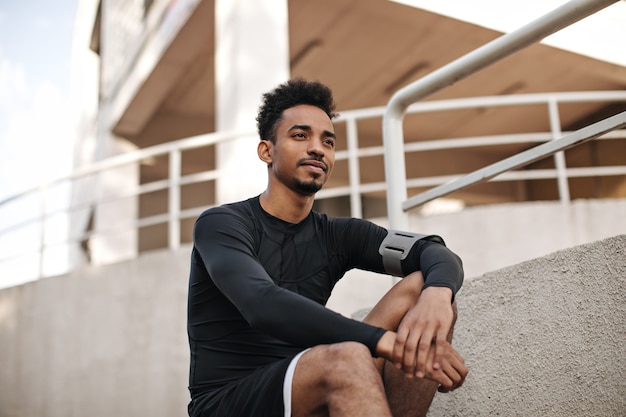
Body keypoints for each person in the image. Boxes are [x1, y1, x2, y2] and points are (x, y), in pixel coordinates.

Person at [187, 78, 468, 417]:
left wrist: (437, 297)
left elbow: (434, 252)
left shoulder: (339, 234)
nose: (317, 148)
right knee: (348, 356)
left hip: (315, 381)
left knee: (422, 286)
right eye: (300, 135)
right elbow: (261, 303)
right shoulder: (222, 224)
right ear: (267, 150)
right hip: (229, 401)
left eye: (328, 141)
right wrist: (385, 342)